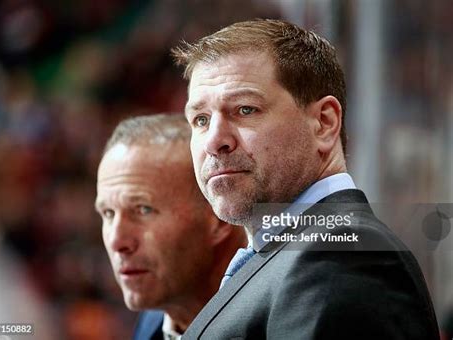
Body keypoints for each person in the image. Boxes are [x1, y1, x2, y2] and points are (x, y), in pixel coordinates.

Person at [172, 19, 440, 339]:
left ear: (324, 123)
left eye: (245, 109)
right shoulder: (293, 253)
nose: (214, 140)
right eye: (200, 119)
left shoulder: (340, 256)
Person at [95, 113, 247, 340]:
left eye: (143, 210)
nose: (117, 241)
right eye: (108, 213)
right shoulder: (154, 320)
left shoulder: (280, 322)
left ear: (220, 217)